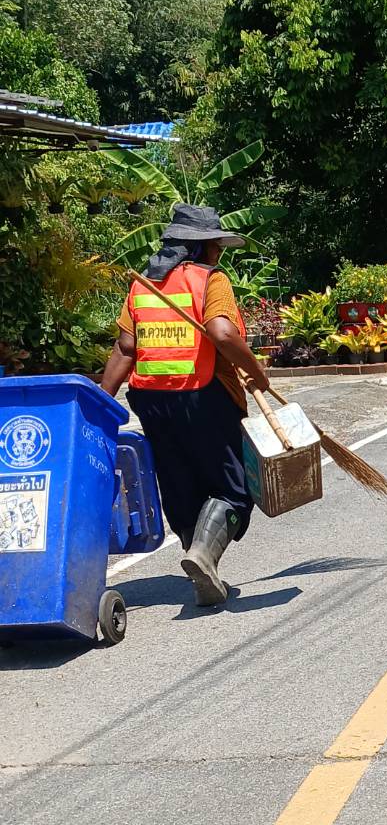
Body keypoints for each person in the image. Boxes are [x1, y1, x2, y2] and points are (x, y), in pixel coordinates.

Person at [101, 204, 268, 607]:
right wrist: (256, 372)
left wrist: (97, 405)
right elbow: (222, 333)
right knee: (233, 490)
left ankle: (202, 570)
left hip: (153, 404)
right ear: (205, 248)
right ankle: (203, 556)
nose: (220, 254)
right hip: (204, 397)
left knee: (182, 488)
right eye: (217, 246)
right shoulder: (210, 279)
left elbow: (126, 349)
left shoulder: (145, 284)